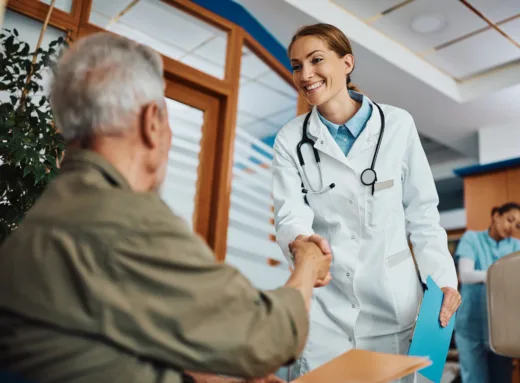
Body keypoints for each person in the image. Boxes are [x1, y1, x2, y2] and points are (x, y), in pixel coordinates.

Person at [0, 33, 333, 383]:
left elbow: (101, 341)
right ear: (152, 121)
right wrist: (308, 261)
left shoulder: (53, 214)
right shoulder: (124, 219)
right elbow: (271, 337)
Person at [271, 23, 461, 382]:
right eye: (297, 65)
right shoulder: (291, 139)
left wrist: (441, 281)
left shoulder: (397, 125)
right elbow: (290, 214)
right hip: (328, 309)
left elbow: (422, 214)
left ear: (347, 63)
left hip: (392, 305)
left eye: (316, 60)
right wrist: (301, 243)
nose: (305, 74)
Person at [454, 202, 520, 383]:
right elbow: (465, 275)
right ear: (495, 215)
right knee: (474, 379)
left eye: (518, 225)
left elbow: (518, 280)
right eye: (509, 220)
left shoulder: (517, 246)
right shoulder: (472, 239)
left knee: (502, 378)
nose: (512, 227)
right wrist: (500, 274)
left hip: (501, 329)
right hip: (470, 326)